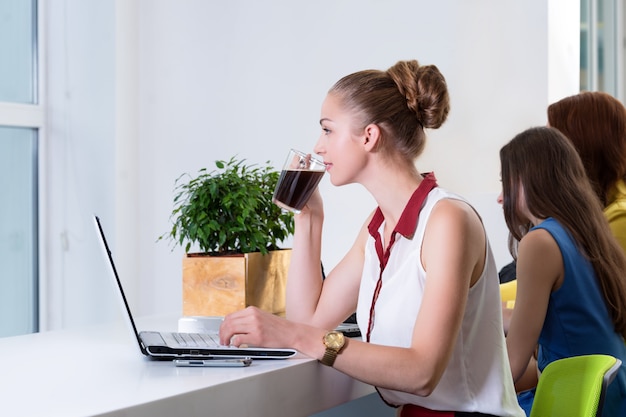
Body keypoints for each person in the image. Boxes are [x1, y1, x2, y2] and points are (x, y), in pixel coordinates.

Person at [219, 59, 524, 417]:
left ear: (369, 136)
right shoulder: (378, 227)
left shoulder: (447, 221)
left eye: (328, 130)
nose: (318, 147)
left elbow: (422, 373)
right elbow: (310, 322)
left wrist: (291, 336)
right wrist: (309, 219)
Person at [498, 126, 626, 416]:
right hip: (610, 395)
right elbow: (556, 319)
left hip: (575, 400)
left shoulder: (539, 242)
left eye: (506, 182)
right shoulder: (586, 230)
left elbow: (514, 363)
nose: (500, 197)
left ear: (530, 181)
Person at [547, 91, 626, 253]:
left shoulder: (620, 218)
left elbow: (567, 275)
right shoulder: (595, 209)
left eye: (551, 144)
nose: (544, 155)